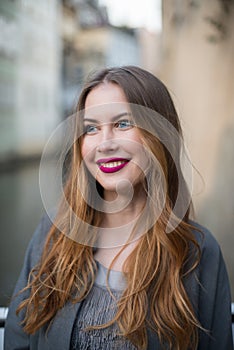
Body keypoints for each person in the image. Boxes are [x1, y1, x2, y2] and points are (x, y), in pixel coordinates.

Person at [4, 66, 233, 350]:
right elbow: (18, 341)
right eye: (91, 128)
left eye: (123, 124)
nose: (105, 144)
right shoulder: (52, 234)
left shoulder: (198, 251)